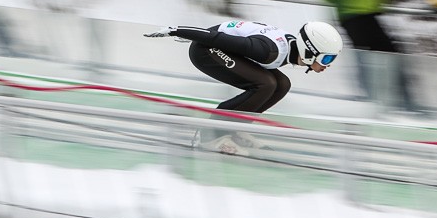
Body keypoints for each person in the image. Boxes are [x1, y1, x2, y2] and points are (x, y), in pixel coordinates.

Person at [144, 19, 343, 153]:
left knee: (282, 84)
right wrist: (177, 30)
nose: (328, 64)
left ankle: (236, 128)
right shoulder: (267, 51)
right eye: (327, 58)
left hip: (224, 46)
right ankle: (209, 135)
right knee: (265, 84)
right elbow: (216, 38)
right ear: (309, 51)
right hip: (205, 49)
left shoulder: (288, 48)